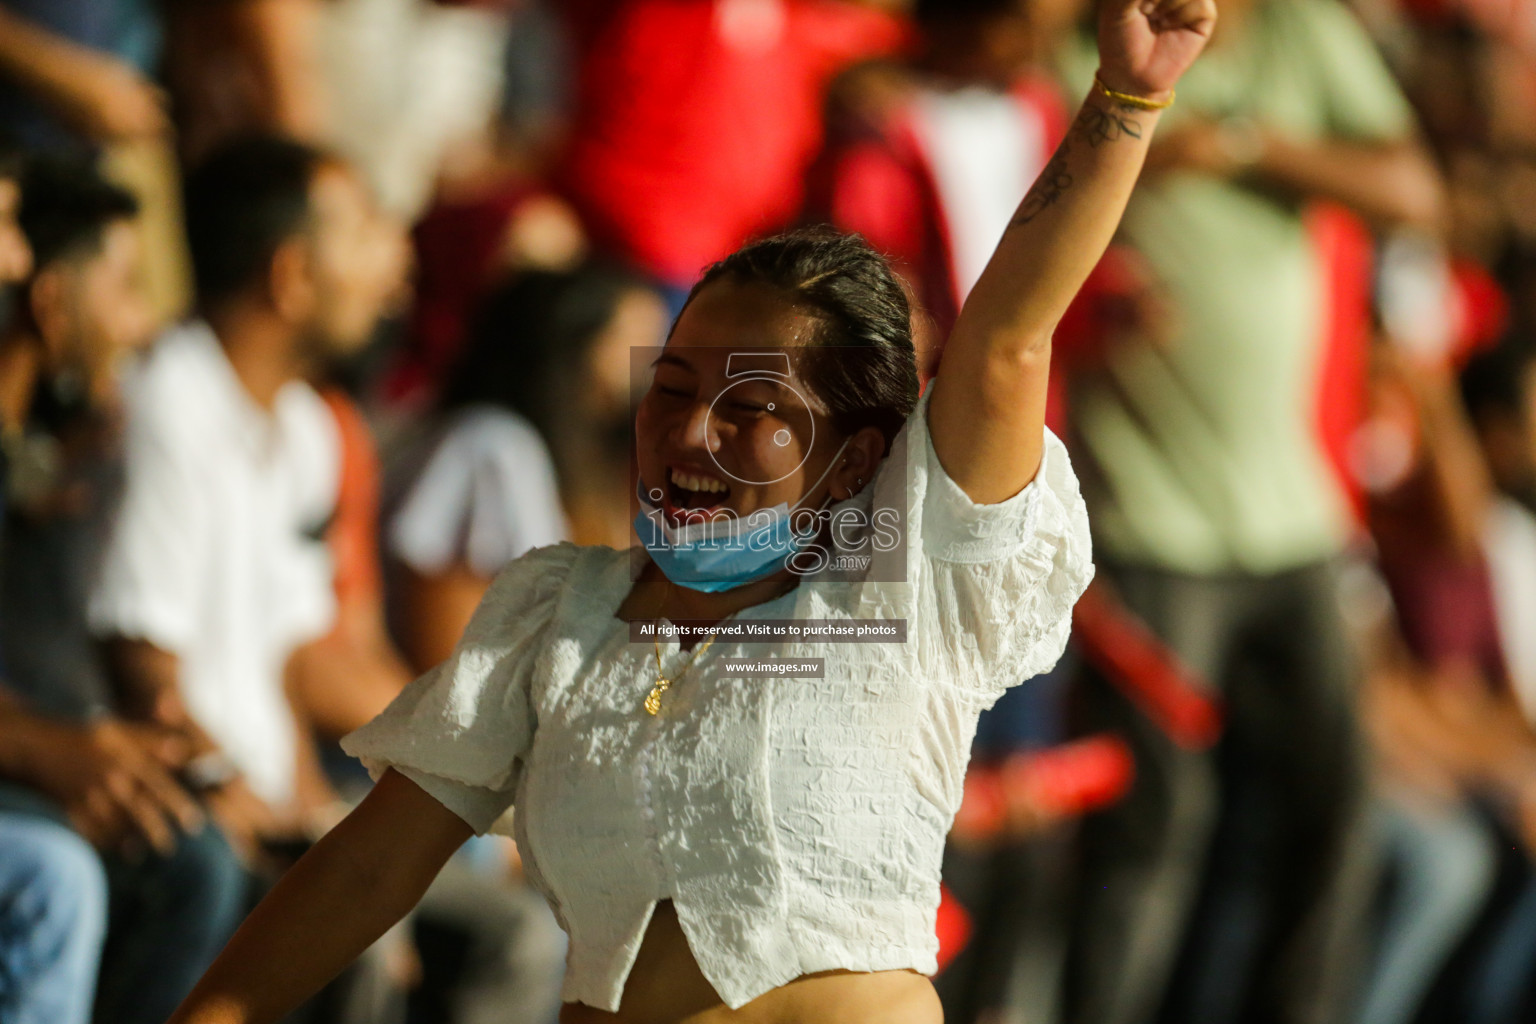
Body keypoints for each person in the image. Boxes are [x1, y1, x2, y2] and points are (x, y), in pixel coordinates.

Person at [168, 2, 1216, 1021]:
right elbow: (366, 867)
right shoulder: (552, 621)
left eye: (751, 408)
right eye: (670, 389)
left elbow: (1004, 340)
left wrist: (1125, 96)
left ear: (855, 461)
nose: (689, 432)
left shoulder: (903, 584)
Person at [88, 135, 403, 859]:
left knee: (503, 927)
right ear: (290, 275)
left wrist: (309, 811)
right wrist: (239, 803)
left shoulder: (305, 429)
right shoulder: (169, 398)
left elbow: (286, 659)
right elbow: (142, 663)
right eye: (358, 234)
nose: (384, 266)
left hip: (266, 808)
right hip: (190, 810)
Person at [388, 262, 668, 672]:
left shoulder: (574, 470)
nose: (660, 366)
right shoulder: (489, 447)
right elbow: (447, 664)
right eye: (642, 341)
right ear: (576, 347)